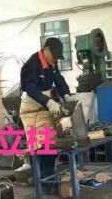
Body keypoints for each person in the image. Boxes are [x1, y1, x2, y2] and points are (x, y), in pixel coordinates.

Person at [17, 37, 73, 187]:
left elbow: (59, 80)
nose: (55, 60)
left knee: (50, 144)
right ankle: (43, 184)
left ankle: (48, 180)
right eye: (54, 56)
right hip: (31, 111)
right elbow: (31, 89)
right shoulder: (32, 65)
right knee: (40, 146)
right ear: (46, 50)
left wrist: (66, 94)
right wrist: (48, 102)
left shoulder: (52, 63)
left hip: (45, 107)